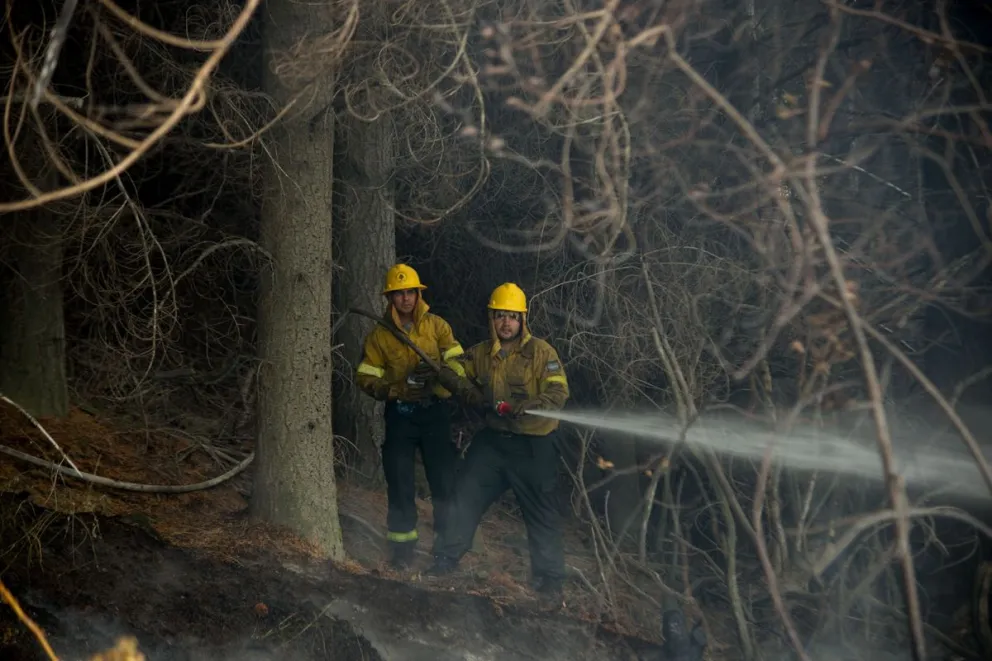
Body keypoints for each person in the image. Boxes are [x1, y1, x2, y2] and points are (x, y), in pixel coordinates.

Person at [428, 282, 570, 599]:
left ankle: (549, 582)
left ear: (523, 320)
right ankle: (445, 559)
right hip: (494, 443)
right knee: (465, 493)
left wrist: (530, 406)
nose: (506, 323)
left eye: (512, 317)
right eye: (500, 316)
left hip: (534, 446)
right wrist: (469, 392)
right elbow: (450, 369)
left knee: (542, 512)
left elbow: (559, 392)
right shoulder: (481, 354)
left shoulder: (542, 353)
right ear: (492, 318)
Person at [355, 263, 467, 569]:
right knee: (400, 482)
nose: (405, 299)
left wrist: (438, 376)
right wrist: (395, 389)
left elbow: (458, 363)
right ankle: (402, 552)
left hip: (435, 413)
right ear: (391, 298)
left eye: (410, 292)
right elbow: (366, 375)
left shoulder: (437, 327)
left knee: (443, 483)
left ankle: (446, 554)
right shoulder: (380, 336)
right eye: (399, 293)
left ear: (419, 294)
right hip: (401, 416)